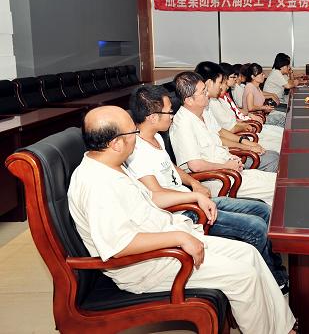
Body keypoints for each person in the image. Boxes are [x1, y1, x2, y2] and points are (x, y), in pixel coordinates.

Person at [68, 105, 296, 334]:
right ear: (116, 143)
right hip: (149, 265)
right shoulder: (97, 185)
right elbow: (120, 245)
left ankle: (283, 328)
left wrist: (195, 195)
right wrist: (179, 237)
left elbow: (151, 197)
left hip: (169, 241)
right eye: (133, 132)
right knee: (244, 276)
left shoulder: (109, 165)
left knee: (249, 254)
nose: (137, 136)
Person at [126, 85, 289, 291]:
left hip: (191, 198)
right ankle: (274, 281)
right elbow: (155, 195)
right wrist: (193, 196)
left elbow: (172, 168)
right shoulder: (137, 151)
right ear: (152, 117)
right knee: (255, 227)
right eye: (168, 112)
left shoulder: (156, 137)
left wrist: (194, 183)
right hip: (183, 211)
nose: (172, 116)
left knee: (262, 209)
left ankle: (276, 272)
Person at [169, 71, 277, 204]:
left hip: (229, 169)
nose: (207, 94)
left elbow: (218, 138)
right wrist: (226, 165)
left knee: (277, 180)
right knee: (276, 189)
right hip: (215, 179)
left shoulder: (204, 111)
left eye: (206, 90)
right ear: (189, 100)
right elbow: (196, 166)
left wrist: (232, 158)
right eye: (203, 92)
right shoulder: (182, 124)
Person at [194, 61, 279, 171]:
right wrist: (246, 146)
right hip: (223, 165)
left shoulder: (206, 108)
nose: (221, 87)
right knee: (275, 157)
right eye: (221, 82)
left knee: (275, 153)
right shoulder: (198, 112)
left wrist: (245, 143)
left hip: (227, 154)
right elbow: (197, 165)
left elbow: (219, 132)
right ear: (209, 83)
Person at [207, 62, 283, 153]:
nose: (236, 79)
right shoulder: (213, 102)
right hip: (243, 133)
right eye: (233, 77)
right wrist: (246, 126)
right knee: (279, 142)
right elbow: (229, 128)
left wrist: (248, 119)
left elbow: (234, 117)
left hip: (246, 128)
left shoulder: (224, 97)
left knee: (281, 134)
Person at [242, 63, 287, 128]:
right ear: (253, 77)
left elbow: (258, 100)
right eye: (261, 74)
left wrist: (266, 108)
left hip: (261, 115)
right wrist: (264, 107)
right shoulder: (250, 87)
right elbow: (250, 107)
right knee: (284, 118)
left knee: (285, 116)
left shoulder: (256, 87)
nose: (264, 76)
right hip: (256, 120)